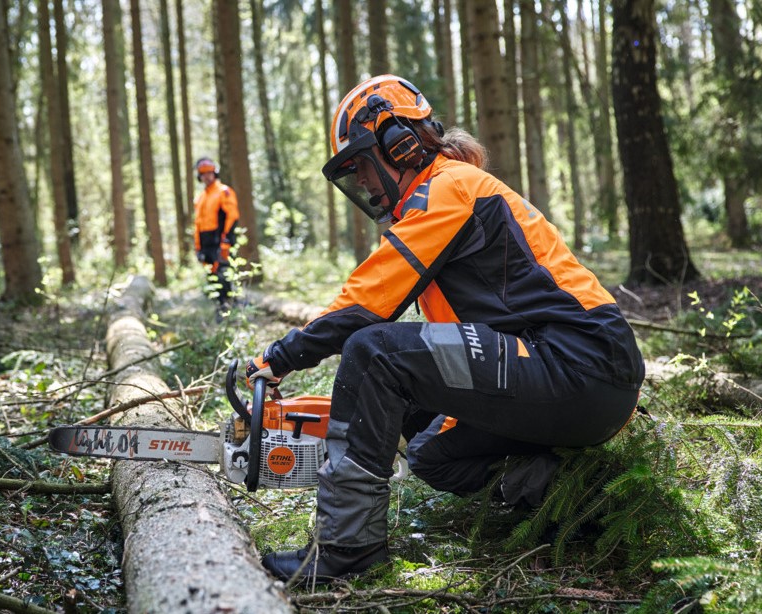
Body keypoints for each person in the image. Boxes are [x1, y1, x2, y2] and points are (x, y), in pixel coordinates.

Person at [245, 75, 644, 583]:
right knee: (431, 451)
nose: (362, 182)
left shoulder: (447, 187)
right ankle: (578, 497)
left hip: (579, 360)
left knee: (374, 353)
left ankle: (347, 547)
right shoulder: (441, 196)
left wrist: (279, 357)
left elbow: (368, 303)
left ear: (399, 143)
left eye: (362, 165)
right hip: (573, 376)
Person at [193, 157, 240, 311]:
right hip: (205, 244)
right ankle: (221, 309)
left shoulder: (223, 191)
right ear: (199, 176)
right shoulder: (201, 197)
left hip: (220, 241)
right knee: (212, 278)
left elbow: (232, 216)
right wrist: (198, 247)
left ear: (215, 173)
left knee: (224, 275)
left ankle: (232, 308)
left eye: (209, 173)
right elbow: (198, 224)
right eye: (203, 174)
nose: (206, 176)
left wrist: (227, 240)